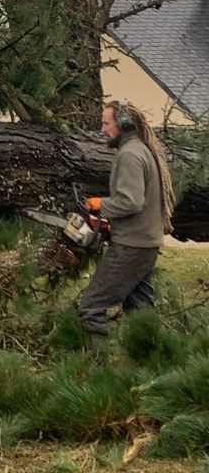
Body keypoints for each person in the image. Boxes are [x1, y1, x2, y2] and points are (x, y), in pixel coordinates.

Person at [77, 99, 175, 353]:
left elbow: (131, 202)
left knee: (91, 306)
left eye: (106, 123)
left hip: (131, 246)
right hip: (144, 244)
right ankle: (151, 362)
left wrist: (100, 204)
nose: (103, 129)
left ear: (123, 124)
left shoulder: (130, 154)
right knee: (139, 309)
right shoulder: (140, 148)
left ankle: (98, 367)